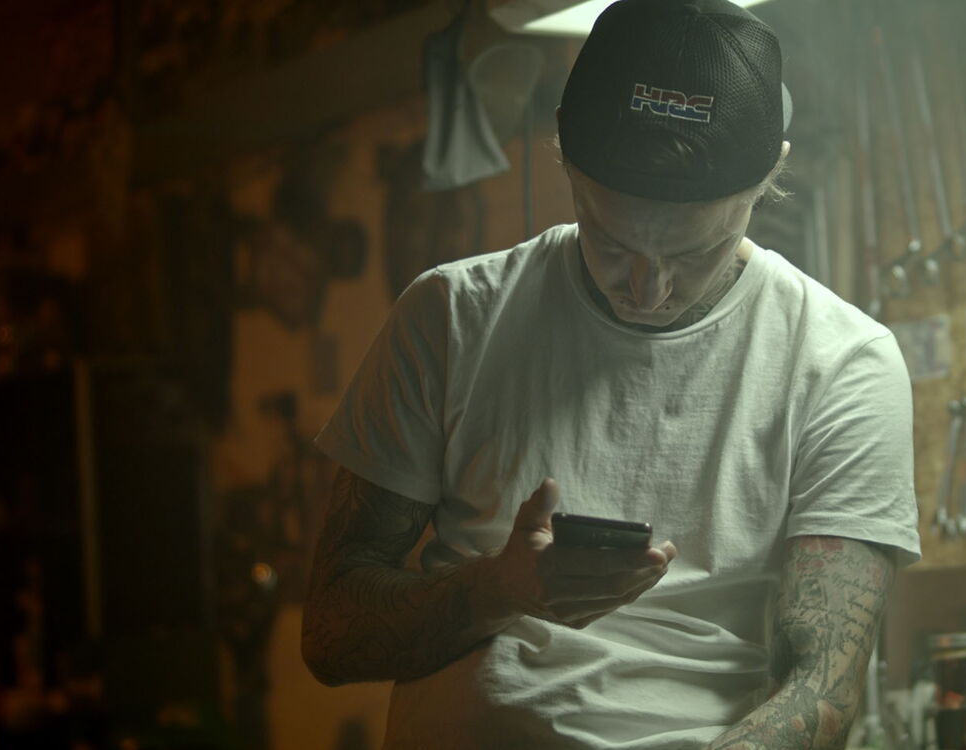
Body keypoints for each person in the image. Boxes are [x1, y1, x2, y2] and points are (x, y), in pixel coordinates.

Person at [301, 0, 921, 747]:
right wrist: (498, 592)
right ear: (563, 154)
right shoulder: (451, 317)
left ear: (771, 176)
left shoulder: (842, 363)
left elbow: (823, 687)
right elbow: (332, 636)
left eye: (695, 253)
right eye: (611, 238)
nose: (646, 288)